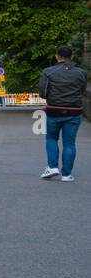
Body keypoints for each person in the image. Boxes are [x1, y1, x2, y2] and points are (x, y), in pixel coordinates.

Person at [39, 45, 87, 182]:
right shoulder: (81, 73)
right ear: (72, 57)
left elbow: (42, 93)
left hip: (54, 110)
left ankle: (52, 167)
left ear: (56, 56)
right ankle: (66, 175)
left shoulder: (48, 72)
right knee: (69, 143)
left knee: (51, 138)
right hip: (74, 111)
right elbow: (82, 90)